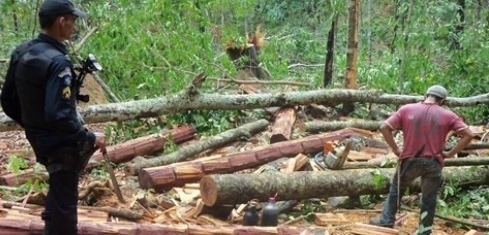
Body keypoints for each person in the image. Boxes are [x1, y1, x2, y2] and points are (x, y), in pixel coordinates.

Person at [0, 0, 106, 234]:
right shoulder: (59, 62)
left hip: (39, 138)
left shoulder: (22, 51)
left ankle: (51, 222)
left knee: (58, 195)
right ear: (61, 22)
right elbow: (60, 115)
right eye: (73, 21)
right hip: (60, 144)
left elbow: (7, 100)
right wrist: (87, 136)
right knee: (65, 208)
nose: (74, 26)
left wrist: (32, 126)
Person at [369, 85, 474, 235]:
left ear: (426, 95)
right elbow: (469, 135)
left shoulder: (407, 109)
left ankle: (386, 221)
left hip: (410, 160)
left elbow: (384, 127)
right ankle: (424, 230)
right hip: (434, 162)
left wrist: (396, 149)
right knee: (429, 198)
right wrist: (450, 153)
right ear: (443, 100)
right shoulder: (448, 115)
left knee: (396, 190)